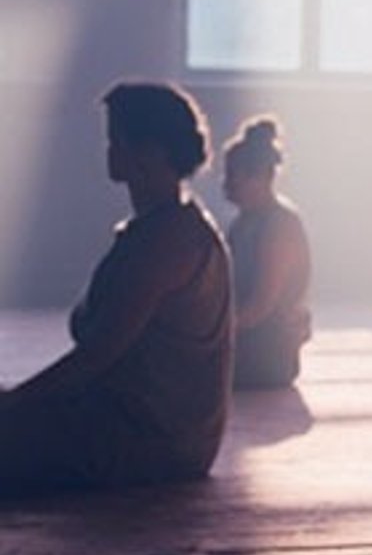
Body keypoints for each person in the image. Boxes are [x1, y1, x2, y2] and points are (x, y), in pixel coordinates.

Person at [0, 82, 232, 496]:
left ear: (152, 151)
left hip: (152, 440)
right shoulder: (163, 225)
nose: (109, 151)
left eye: (118, 141)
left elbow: (95, 357)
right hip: (142, 423)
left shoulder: (168, 242)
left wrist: (14, 403)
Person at [222, 114, 312, 390]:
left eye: (233, 176)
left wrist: (210, 334)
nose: (226, 185)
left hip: (267, 354)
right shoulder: (243, 223)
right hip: (248, 339)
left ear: (260, 177)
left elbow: (260, 307)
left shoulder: (279, 225)